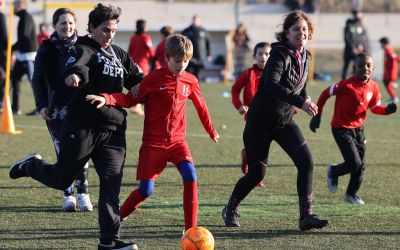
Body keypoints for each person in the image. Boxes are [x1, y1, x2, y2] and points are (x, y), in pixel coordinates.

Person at [9, 4, 144, 249]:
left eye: (113, 30)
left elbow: (139, 79)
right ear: (92, 28)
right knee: (62, 179)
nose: (109, 35)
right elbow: (77, 66)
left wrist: (144, 87)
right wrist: (75, 77)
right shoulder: (83, 47)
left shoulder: (119, 54)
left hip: (113, 130)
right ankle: (31, 166)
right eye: (105, 30)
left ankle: (109, 241)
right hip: (83, 126)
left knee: (111, 185)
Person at [86, 34, 219, 231]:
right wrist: (108, 98)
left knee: (191, 177)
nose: (181, 65)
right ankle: (119, 217)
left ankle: (191, 229)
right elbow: (130, 99)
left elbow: (202, 107)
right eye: (177, 61)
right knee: (145, 190)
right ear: (167, 57)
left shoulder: (190, 81)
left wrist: (211, 131)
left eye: (185, 61)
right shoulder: (153, 79)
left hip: (177, 143)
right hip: (153, 145)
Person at [221, 10, 329, 231]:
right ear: (287, 33)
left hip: (284, 122)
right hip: (260, 122)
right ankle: (230, 208)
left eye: (305, 29)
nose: (301, 33)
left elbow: (299, 84)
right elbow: (271, 85)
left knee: (306, 162)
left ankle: (305, 216)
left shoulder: (306, 56)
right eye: (296, 29)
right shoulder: (279, 54)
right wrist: (300, 102)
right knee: (256, 174)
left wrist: (305, 97)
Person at [309, 53, 397, 205]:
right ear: (354, 67)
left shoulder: (374, 87)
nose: (365, 68)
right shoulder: (346, 85)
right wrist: (318, 115)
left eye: (368, 65)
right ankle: (333, 171)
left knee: (360, 165)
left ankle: (351, 194)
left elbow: (374, 107)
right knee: (354, 163)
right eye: (361, 65)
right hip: (340, 128)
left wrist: (386, 110)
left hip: (358, 129)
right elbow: (325, 94)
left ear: (373, 68)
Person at [31, 8, 93, 212]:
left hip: (81, 109)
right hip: (56, 111)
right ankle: (68, 194)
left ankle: (83, 193)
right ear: (55, 26)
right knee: (63, 153)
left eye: (71, 23)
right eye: (63, 23)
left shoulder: (84, 46)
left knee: (82, 153)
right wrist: (41, 105)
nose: (67, 27)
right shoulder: (46, 48)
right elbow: (38, 79)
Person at [231, 42, 271, 188]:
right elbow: (235, 91)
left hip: (271, 117)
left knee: (260, 148)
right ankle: (255, 176)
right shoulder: (248, 74)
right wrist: (240, 105)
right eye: (260, 54)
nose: (264, 57)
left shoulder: (276, 74)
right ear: (254, 56)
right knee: (259, 149)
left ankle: (247, 156)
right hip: (253, 117)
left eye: (267, 54)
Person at [10, 0, 38, 116]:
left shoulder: (26, 18)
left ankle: (40, 107)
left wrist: (11, 48)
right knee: (15, 79)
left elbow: (24, 37)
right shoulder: (22, 18)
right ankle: (15, 108)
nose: (12, 7)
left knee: (34, 82)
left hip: (28, 56)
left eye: (14, 5)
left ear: (20, 5)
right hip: (22, 56)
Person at [127, 19, 153, 116]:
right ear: (144, 27)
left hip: (134, 64)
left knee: (136, 84)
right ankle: (137, 106)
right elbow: (151, 51)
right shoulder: (146, 38)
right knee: (143, 84)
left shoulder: (133, 38)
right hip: (143, 64)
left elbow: (129, 51)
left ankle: (136, 106)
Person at [342, 9, 369, 80]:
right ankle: (343, 81)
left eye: (360, 14)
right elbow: (347, 38)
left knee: (357, 66)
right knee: (346, 67)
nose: (358, 15)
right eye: (357, 14)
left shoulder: (361, 25)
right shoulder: (349, 24)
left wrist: (361, 46)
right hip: (349, 50)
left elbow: (364, 37)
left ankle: (355, 80)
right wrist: (353, 48)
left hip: (358, 51)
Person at [182, 15, 211, 79]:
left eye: (197, 20)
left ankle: (196, 88)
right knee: (189, 74)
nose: (195, 22)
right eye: (194, 20)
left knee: (197, 75)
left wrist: (209, 54)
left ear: (200, 21)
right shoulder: (187, 31)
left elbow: (208, 43)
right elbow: (182, 42)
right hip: (189, 56)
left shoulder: (204, 31)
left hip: (200, 57)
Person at [379, 37, 399, 104]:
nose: (380, 45)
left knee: (388, 86)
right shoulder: (387, 50)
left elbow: (396, 58)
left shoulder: (389, 51)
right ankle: (393, 94)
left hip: (391, 73)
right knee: (385, 82)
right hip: (388, 72)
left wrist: (392, 71)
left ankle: (395, 98)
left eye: (381, 44)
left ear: (384, 43)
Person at [0, 0, 7, 112]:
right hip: (1, 52)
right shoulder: (1, 16)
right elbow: (4, 35)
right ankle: (2, 101)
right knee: (3, 76)